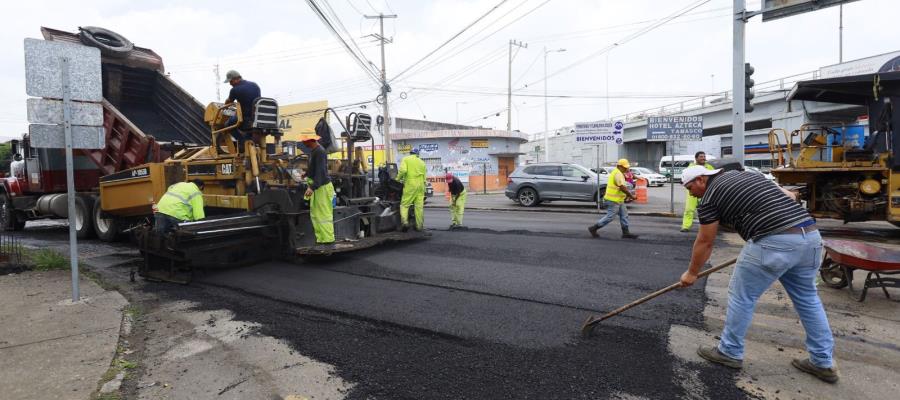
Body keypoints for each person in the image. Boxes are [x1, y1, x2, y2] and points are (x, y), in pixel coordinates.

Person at [678, 165, 837, 383]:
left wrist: (692, 273)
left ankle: (729, 351)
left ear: (701, 180)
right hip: (809, 236)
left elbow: (705, 241)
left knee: (742, 296)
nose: (691, 194)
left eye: (689, 188)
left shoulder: (709, 198)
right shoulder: (747, 174)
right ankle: (822, 362)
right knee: (808, 298)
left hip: (773, 240)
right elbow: (790, 195)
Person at [588, 159, 638, 239]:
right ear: (619, 166)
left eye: (627, 167)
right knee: (610, 217)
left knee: (624, 215)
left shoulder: (619, 172)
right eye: (624, 167)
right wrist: (631, 196)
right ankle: (594, 228)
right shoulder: (617, 174)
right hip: (613, 200)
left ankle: (626, 233)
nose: (626, 169)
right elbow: (622, 188)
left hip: (619, 200)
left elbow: (627, 179)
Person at [302, 135, 335, 246]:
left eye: (304, 141)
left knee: (324, 215)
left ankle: (328, 241)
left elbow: (320, 171)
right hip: (318, 187)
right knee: (316, 215)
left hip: (322, 188)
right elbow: (314, 167)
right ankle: (321, 239)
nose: (303, 142)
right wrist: (306, 174)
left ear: (310, 141)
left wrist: (312, 187)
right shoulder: (314, 151)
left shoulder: (320, 152)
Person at [223, 70, 261, 146]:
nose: (230, 84)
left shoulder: (234, 90)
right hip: (257, 117)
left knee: (228, 125)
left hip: (246, 119)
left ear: (237, 79)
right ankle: (248, 148)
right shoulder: (255, 85)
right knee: (247, 135)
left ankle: (242, 143)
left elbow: (228, 102)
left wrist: (225, 105)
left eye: (231, 81)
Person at [681, 151, 715, 232]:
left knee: (705, 210)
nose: (703, 158)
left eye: (704, 156)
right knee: (689, 209)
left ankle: (706, 228)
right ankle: (685, 226)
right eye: (701, 157)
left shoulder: (709, 167)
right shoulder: (691, 167)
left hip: (704, 192)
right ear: (696, 158)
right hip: (692, 192)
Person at [398, 147, 426, 232]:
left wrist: (397, 179)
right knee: (419, 207)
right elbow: (425, 177)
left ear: (410, 153)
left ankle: (405, 223)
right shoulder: (422, 162)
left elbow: (403, 170)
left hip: (411, 184)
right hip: (421, 185)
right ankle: (419, 226)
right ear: (417, 154)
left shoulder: (406, 159)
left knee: (404, 204)